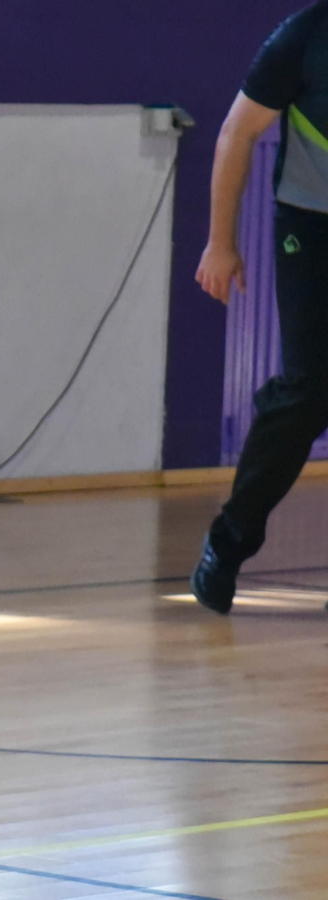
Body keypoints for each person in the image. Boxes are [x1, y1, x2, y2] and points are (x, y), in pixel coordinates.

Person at [192, 2, 328, 613]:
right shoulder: (304, 37)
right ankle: (230, 540)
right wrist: (221, 243)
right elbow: (236, 133)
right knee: (309, 389)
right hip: (312, 226)